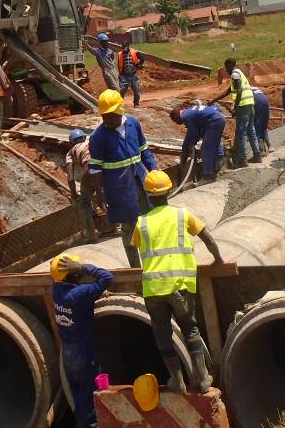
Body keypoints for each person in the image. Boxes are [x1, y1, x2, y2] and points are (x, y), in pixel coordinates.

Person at [133, 170, 223, 393]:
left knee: (162, 333)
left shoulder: (141, 223)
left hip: (153, 288)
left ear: (147, 194)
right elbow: (208, 237)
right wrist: (218, 259)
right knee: (189, 328)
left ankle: (177, 380)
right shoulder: (183, 215)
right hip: (179, 286)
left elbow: (136, 253)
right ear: (170, 190)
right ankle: (202, 380)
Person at [88, 90, 158, 267]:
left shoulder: (133, 124)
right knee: (128, 228)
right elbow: (95, 170)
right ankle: (135, 269)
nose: (108, 121)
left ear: (120, 110)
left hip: (141, 183)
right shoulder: (98, 137)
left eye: (111, 116)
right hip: (119, 190)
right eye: (105, 117)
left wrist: (155, 171)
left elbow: (144, 151)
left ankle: (153, 264)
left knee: (147, 224)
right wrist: (100, 196)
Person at [51, 253, 114, 428]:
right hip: (84, 355)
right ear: (74, 274)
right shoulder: (79, 294)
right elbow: (107, 277)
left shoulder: (56, 292)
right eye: (76, 271)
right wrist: (83, 267)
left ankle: (82, 423)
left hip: (69, 355)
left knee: (78, 396)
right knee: (90, 395)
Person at [209, 59, 261, 168]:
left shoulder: (235, 74)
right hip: (250, 104)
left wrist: (235, 107)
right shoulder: (239, 73)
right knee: (251, 130)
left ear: (229, 66)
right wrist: (213, 100)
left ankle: (242, 159)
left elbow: (239, 90)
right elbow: (229, 91)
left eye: (226, 67)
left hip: (243, 106)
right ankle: (257, 155)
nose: (226, 70)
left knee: (241, 133)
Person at [171, 103, 226, 182]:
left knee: (206, 148)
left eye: (175, 121)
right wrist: (185, 148)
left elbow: (194, 134)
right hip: (219, 118)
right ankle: (217, 169)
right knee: (214, 145)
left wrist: (192, 144)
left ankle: (208, 177)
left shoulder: (185, 117)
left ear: (176, 117)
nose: (177, 123)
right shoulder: (190, 112)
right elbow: (190, 133)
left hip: (214, 122)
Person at [65, 129, 98, 243]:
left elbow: (70, 178)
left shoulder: (70, 152)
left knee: (84, 203)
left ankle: (91, 236)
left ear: (71, 142)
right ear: (84, 137)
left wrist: (74, 193)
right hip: (105, 169)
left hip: (89, 172)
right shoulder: (91, 142)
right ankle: (116, 226)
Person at [117, 43, 144, 107]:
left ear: (128, 46)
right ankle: (120, 104)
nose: (124, 49)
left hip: (133, 74)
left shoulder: (134, 52)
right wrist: (120, 74)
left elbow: (142, 58)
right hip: (124, 75)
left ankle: (136, 103)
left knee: (136, 90)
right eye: (123, 48)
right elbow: (119, 65)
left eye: (125, 47)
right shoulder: (120, 54)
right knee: (121, 91)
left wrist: (140, 64)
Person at [252, 86, 271, 154]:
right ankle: (269, 146)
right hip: (265, 102)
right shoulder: (255, 88)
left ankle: (261, 151)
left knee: (257, 126)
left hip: (257, 103)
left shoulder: (244, 90)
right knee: (263, 125)